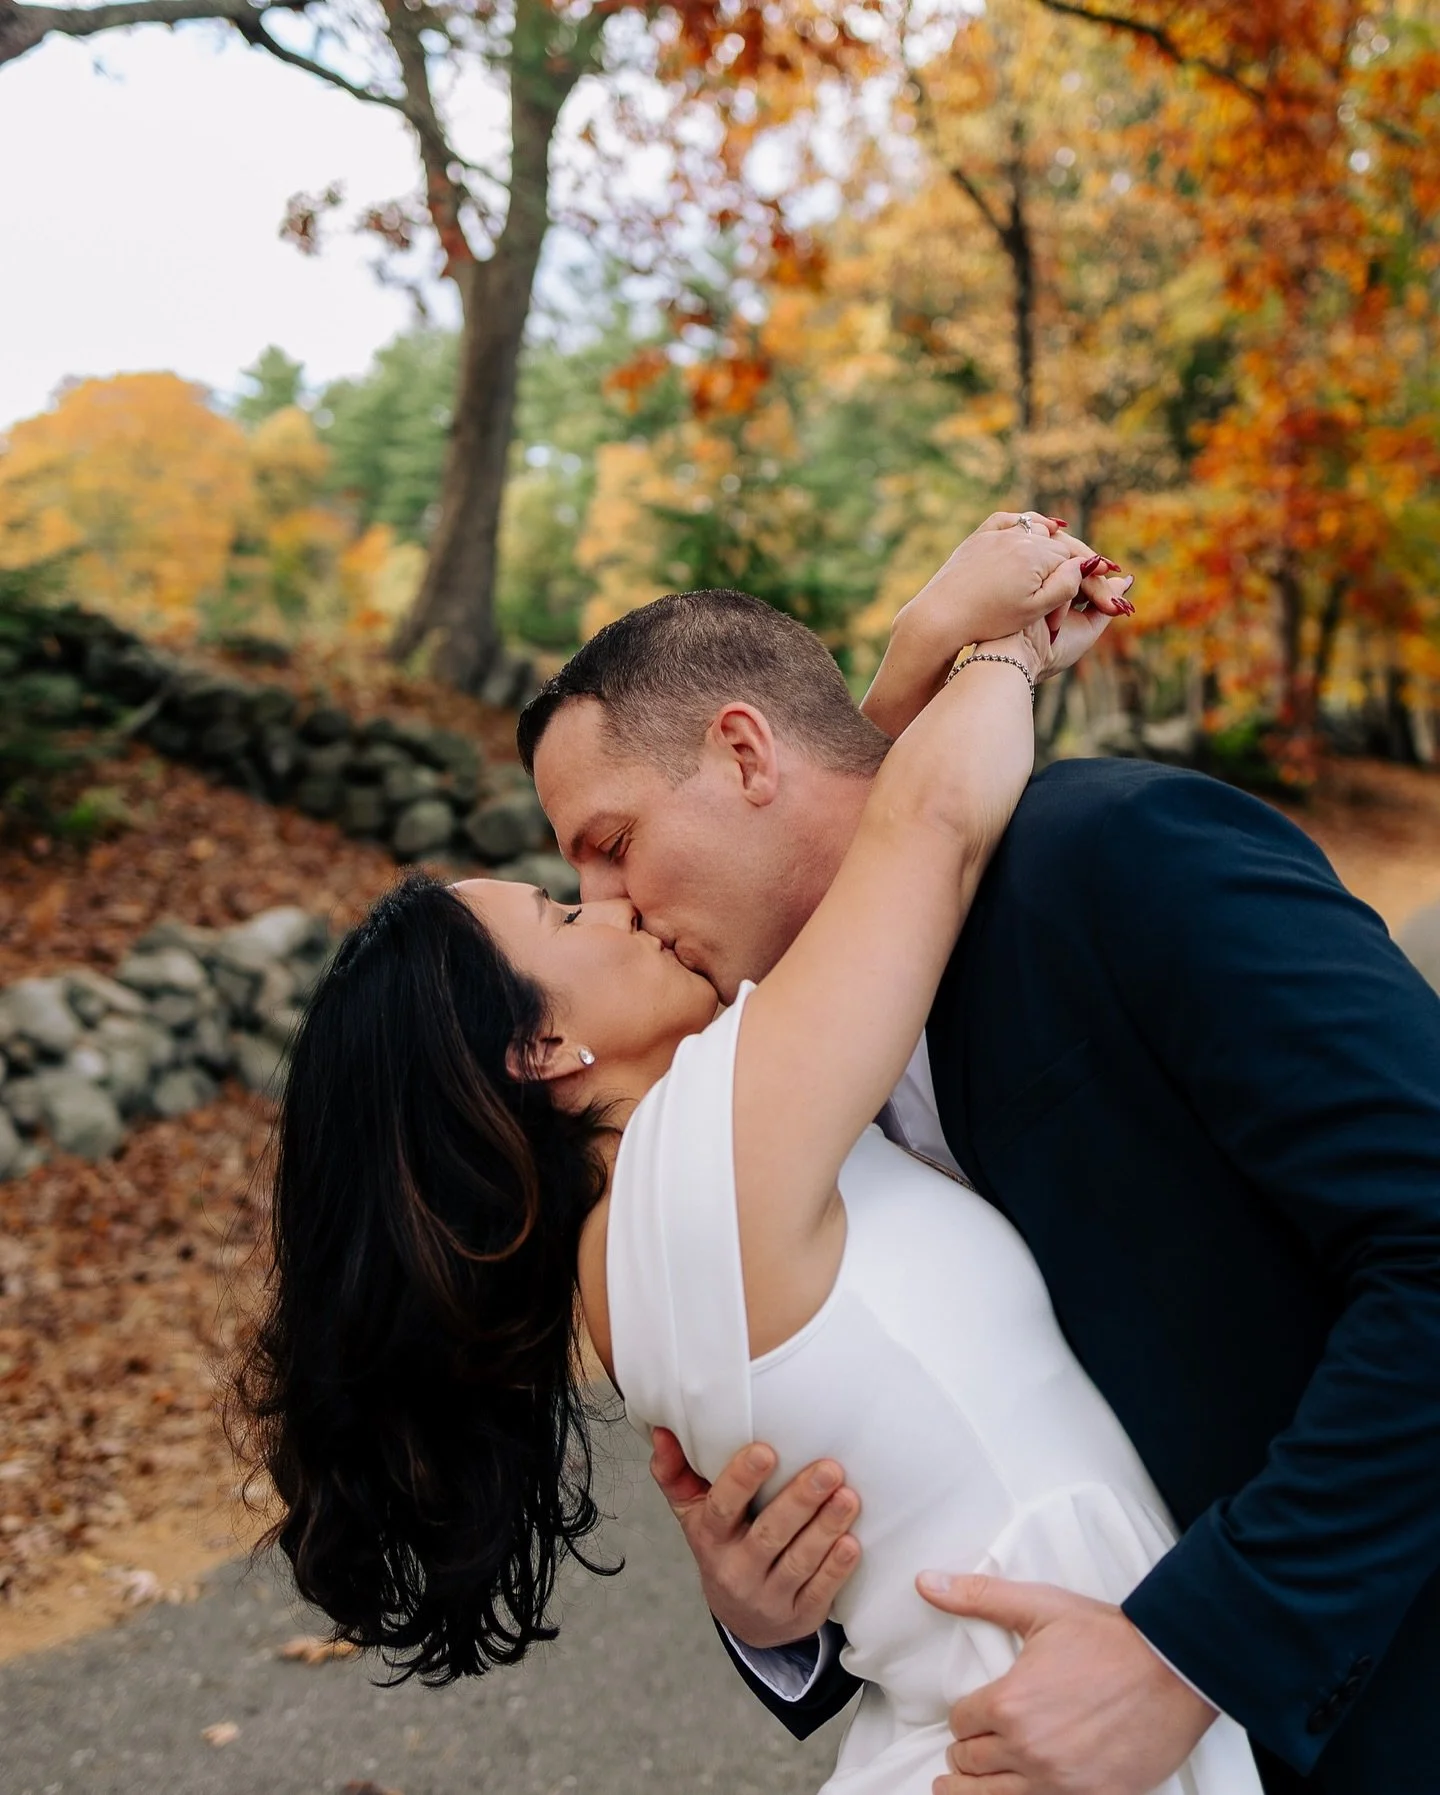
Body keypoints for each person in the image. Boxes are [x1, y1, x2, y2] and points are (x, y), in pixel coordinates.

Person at [233, 532, 1263, 1792]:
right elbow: (920, 833)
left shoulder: (645, 1214)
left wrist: (887, 677)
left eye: (596, 868)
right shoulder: (703, 1164)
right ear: (544, 1044)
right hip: (1056, 1742)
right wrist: (1003, 644)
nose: (611, 904)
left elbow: (804, 872)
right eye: (566, 912)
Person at [515, 519, 1440, 1795]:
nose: (613, 912)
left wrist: (1197, 1656)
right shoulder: (755, 1077)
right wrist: (771, 1618)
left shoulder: (1120, 855)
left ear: (741, 750)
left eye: (610, 847)